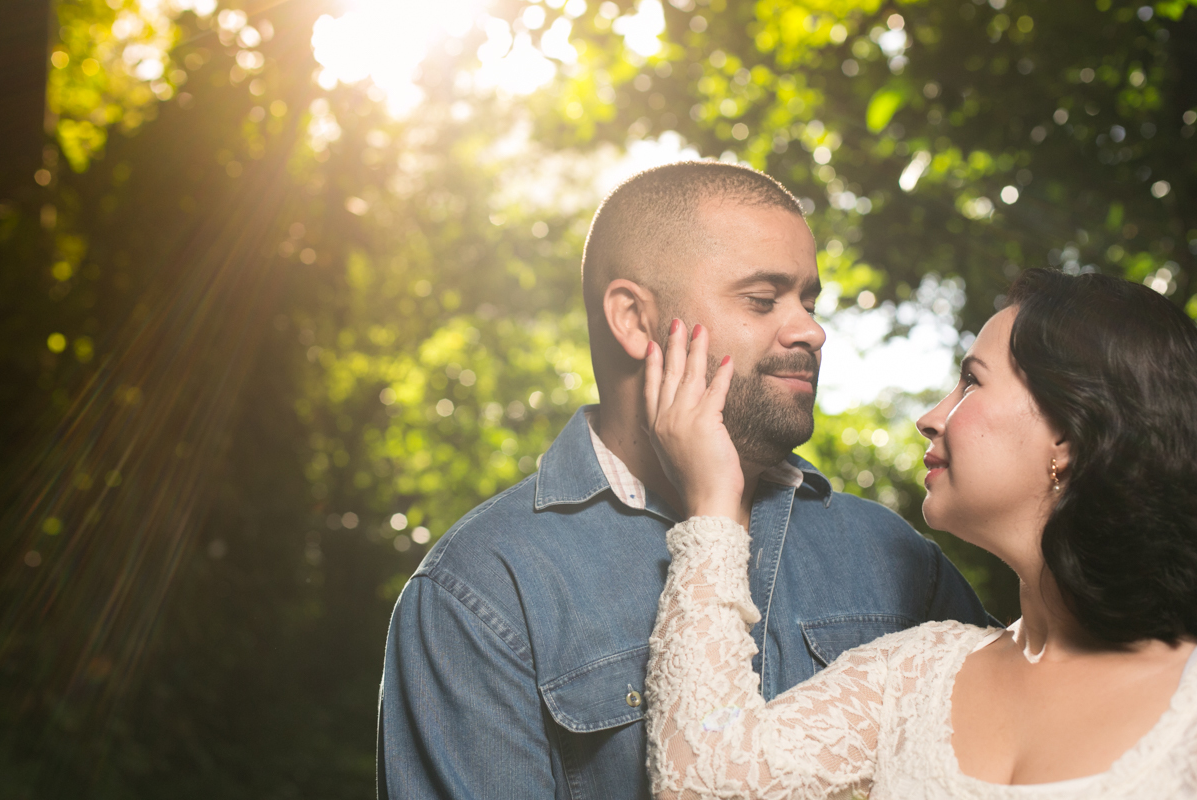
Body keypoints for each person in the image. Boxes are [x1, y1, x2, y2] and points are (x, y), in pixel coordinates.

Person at [377, 161, 989, 799]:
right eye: (762, 299)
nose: (812, 330)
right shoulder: (484, 589)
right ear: (635, 321)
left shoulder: (892, 552)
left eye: (809, 300)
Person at [643, 268, 1197, 799]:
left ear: (1068, 436)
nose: (930, 417)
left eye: (970, 382)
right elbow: (700, 780)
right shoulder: (914, 675)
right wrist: (713, 504)